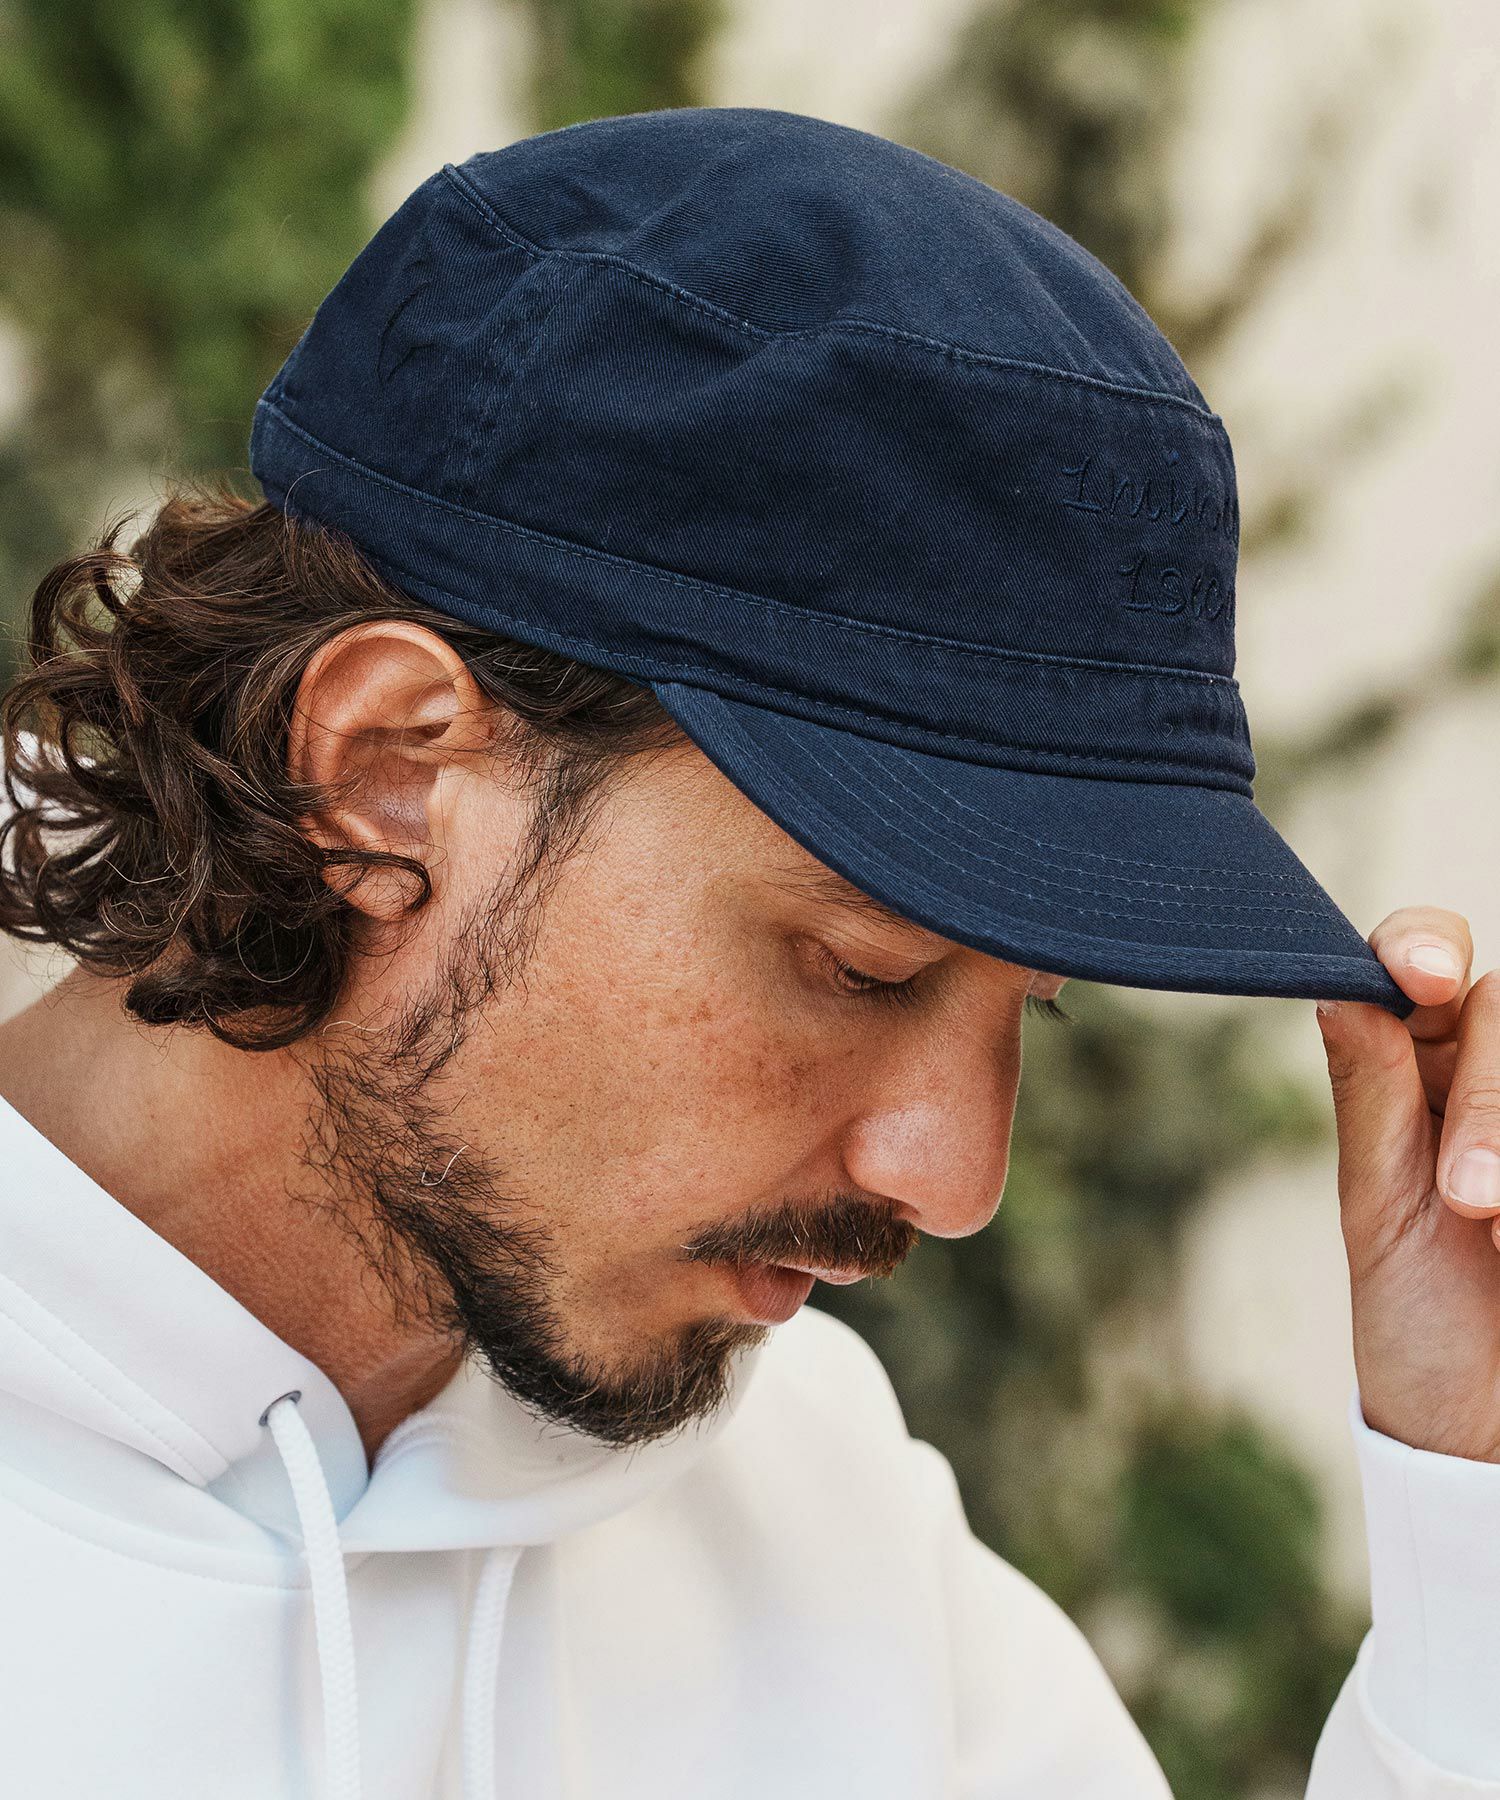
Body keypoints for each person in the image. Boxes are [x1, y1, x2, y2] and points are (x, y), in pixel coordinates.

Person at [1, 104, 1497, 1800]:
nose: (958, 1180)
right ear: (387, 773)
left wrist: (1474, 1553)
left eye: (1038, 1005)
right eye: (861, 968)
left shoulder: (816, 1518)